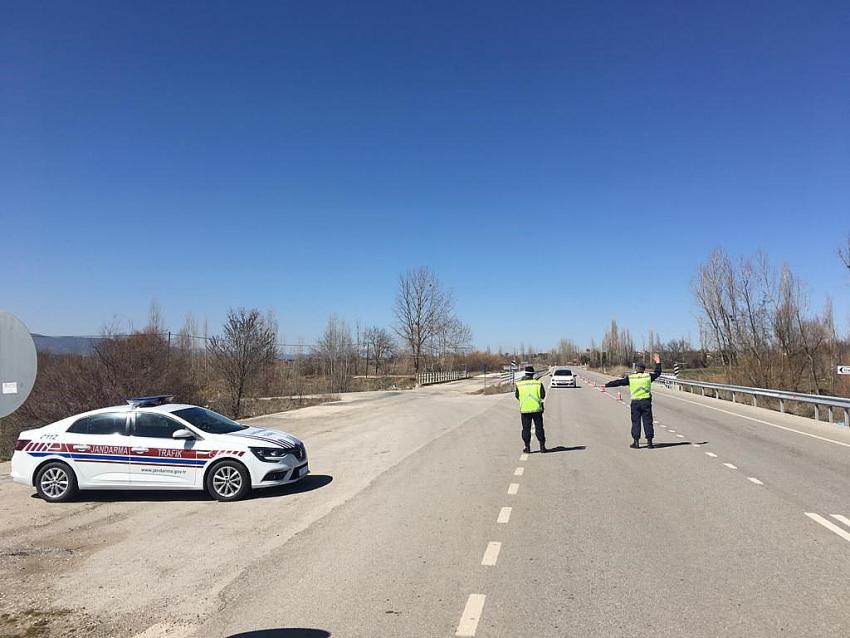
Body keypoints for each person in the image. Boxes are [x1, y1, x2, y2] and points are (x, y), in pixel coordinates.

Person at [605, 353, 662, 448]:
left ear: (636, 369)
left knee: (636, 422)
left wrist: (607, 385)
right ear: (644, 370)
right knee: (647, 421)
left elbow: (619, 382)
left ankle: (636, 442)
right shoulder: (648, 377)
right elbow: (657, 372)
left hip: (635, 403)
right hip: (646, 402)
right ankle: (650, 442)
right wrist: (658, 362)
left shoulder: (631, 378)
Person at [515, 365, 547, 453]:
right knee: (539, 428)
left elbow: (517, 396)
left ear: (525, 373)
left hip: (525, 410)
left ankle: (527, 447)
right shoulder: (538, 383)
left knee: (526, 429)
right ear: (533, 374)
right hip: (537, 409)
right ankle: (542, 446)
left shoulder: (519, 384)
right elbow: (542, 395)